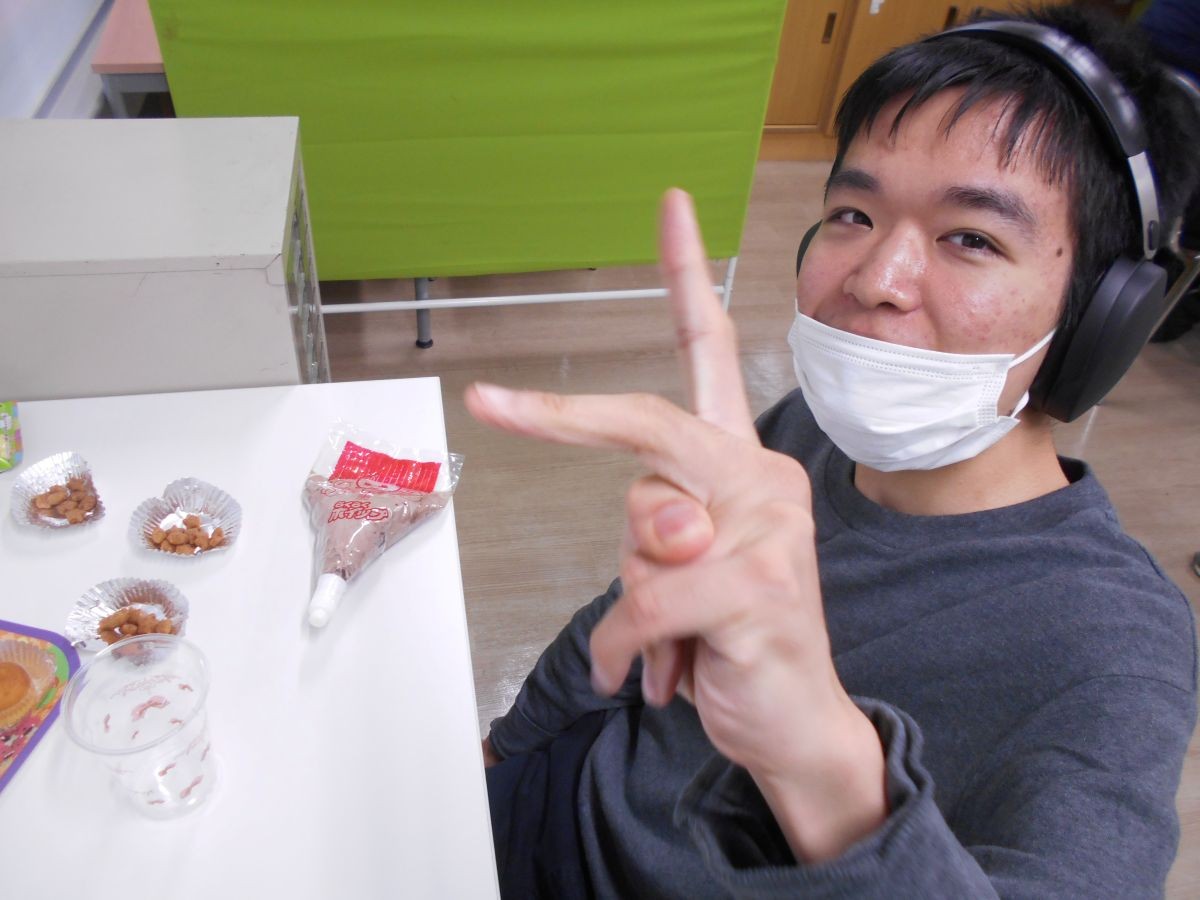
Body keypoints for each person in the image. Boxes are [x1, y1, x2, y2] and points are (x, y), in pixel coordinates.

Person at [466, 5, 1200, 898]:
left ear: (1101, 321)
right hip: (564, 798)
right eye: (853, 213)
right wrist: (502, 749)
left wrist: (825, 771)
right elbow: (634, 612)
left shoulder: (1119, 648)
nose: (875, 280)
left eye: (972, 238)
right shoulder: (805, 432)